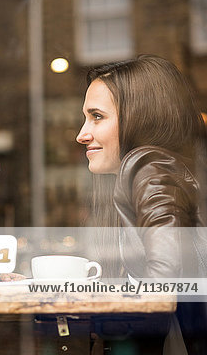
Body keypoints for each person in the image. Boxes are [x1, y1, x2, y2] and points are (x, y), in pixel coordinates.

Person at [76, 54, 207, 354]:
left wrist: (84, 311)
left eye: (97, 116)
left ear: (140, 117)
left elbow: (160, 290)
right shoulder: (161, 169)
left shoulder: (148, 167)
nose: (82, 134)